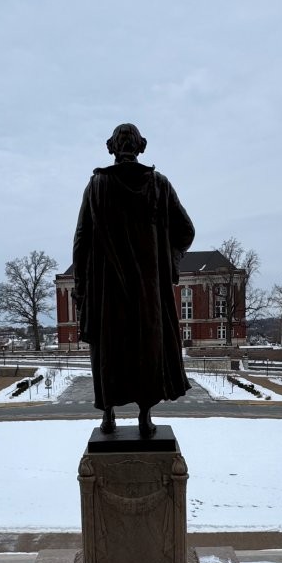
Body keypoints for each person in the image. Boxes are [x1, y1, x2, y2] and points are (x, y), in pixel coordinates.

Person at [72, 123, 195, 438]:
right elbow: (185, 232)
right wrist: (168, 262)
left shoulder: (97, 186)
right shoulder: (159, 185)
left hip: (107, 291)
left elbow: (81, 241)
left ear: (111, 148)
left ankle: (108, 416)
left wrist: (82, 289)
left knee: (109, 351)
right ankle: (144, 416)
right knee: (146, 348)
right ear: (141, 147)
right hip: (147, 291)